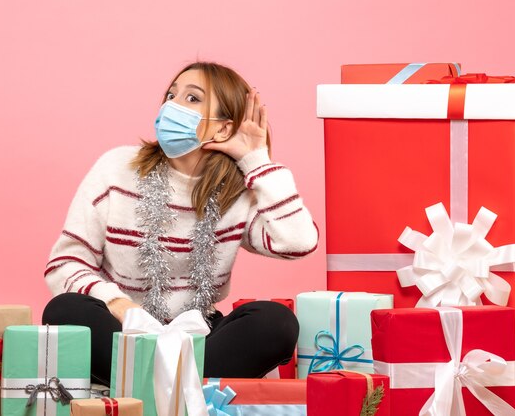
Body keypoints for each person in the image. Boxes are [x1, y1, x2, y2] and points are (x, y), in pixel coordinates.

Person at [43, 61, 319, 386]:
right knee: (65, 310)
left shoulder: (238, 190)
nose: (171, 105)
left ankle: (149, 386)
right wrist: (119, 304)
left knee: (277, 323)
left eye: (192, 99)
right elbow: (65, 263)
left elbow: (298, 242)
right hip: (122, 327)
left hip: (199, 334)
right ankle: (185, 389)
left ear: (223, 129)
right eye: (171, 94)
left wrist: (256, 159)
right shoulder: (116, 167)